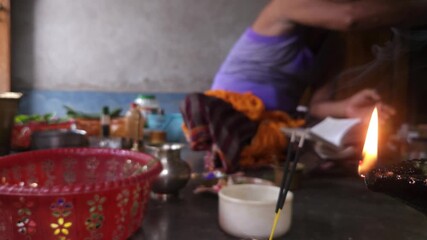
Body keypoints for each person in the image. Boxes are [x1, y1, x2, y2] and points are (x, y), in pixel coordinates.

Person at [181, 0, 426, 173]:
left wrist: (348, 108)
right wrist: (419, 8)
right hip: (229, 121)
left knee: (347, 140)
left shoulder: (332, 45)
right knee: (201, 105)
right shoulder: (282, 7)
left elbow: (317, 106)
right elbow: (349, 17)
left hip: (276, 132)